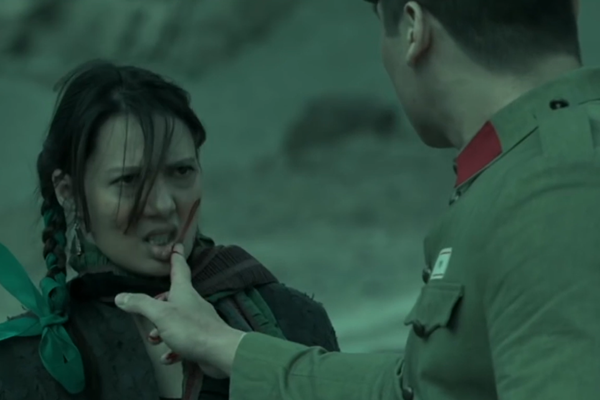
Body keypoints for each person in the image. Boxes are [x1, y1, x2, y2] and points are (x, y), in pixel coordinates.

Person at [113, 0, 600, 399]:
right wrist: (227, 347)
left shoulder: (553, 188)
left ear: (413, 29)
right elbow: (416, 388)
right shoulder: (531, 166)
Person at [0, 61, 340, 400]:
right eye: (129, 180)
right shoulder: (29, 363)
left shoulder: (293, 319)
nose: (163, 205)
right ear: (68, 192)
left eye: (181, 171)